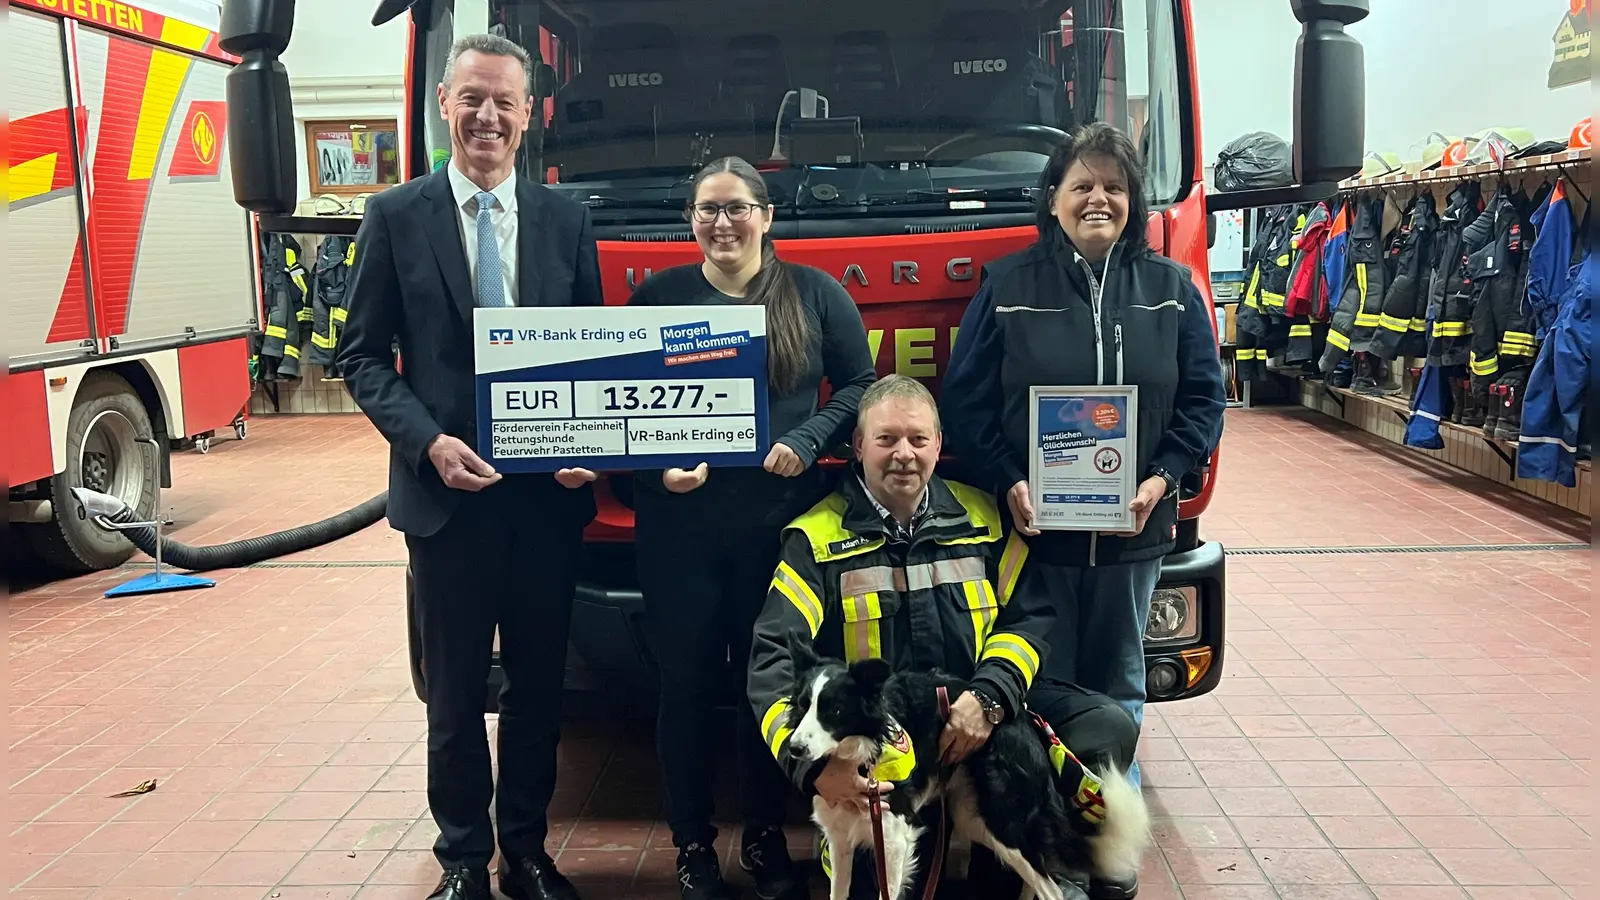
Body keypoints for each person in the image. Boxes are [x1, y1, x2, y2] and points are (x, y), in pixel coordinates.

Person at [335, 33, 603, 900]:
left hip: (545, 504)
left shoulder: (566, 218)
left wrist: (586, 449)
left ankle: (525, 851)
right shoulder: (395, 215)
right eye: (473, 99)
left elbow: (592, 353)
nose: (489, 116)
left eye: (506, 102)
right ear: (444, 106)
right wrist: (426, 443)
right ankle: (462, 862)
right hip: (445, 503)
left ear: (531, 116)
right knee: (452, 698)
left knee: (537, 690)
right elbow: (363, 357)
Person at [941, 122, 1227, 898]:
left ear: (1132, 203)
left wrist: (1163, 478)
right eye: (1082, 185)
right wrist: (1007, 481)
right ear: (1055, 200)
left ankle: (1110, 845)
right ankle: (1048, 846)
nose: (1098, 198)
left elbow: (1205, 400)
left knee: (1122, 694)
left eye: (1114, 187)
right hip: (1034, 539)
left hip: (1133, 538)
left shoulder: (1172, 288)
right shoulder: (1007, 285)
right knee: (1036, 697)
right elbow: (964, 405)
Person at [746, 374, 1142, 900]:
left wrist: (989, 697)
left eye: (918, 438)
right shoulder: (816, 538)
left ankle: (1061, 857)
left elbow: (1031, 619)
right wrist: (815, 768)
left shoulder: (984, 518)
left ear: (939, 444)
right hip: (884, 745)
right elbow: (773, 658)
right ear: (858, 446)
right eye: (886, 439)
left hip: (977, 717)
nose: (903, 454)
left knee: (1104, 722)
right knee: (875, 887)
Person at [625, 155, 878, 900]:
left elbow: (860, 383)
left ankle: (765, 835)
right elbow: (620, 407)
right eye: (708, 208)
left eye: (738, 208)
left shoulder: (815, 294)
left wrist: (810, 441)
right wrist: (657, 471)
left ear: (766, 217)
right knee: (685, 685)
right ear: (691, 220)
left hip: (780, 524)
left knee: (765, 684)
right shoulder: (657, 299)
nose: (722, 222)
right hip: (679, 525)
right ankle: (693, 845)